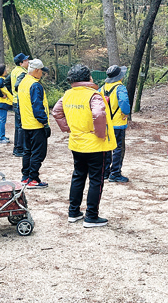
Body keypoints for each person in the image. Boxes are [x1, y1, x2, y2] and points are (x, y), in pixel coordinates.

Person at [52, 64, 116, 228]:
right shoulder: (94, 95)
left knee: (78, 176)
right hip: (95, 145)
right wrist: (100, 134)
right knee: (96, 180)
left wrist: (67, 128)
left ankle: (73, 212)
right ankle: (91, 216)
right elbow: (99, 113)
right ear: (89, 78)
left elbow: (56, 112)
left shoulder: (67, 95)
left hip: (76, 143)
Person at [18, 58, 50, 188]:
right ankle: (33, 178)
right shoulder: (35, 85)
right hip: (36, 125)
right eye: (41, 71)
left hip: (26, 124)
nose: (42, 73)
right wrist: (45, 123)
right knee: (38, 153)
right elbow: (37, 107)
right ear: (36, 70)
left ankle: (26, 176)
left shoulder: (23, 82)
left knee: (27, 151)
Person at [99, 65, 130, 183]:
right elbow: (124, 102)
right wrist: (126, 112)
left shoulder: (102, 88)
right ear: (119, 77)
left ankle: (105, 172)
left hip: (106, 123)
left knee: (107, 147)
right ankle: (115, 173)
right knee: (118, 148)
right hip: (118, 123)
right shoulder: (120, 88)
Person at [10, 53, 29, 157]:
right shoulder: (22, 72)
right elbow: (17, 85)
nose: (28, 62)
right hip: (20, 101)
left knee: (18, 126)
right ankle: (20, 149)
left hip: (15, 100)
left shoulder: (14, 71)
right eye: (26, 60)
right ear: (21, 63)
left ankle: (16, 148)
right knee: (21, 126)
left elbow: (8, 83)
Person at [0, 64, 13, 144]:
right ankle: (0, 137)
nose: (6, 71)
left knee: (1, 119)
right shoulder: (1, 79)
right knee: (2, 119)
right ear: (3, 71)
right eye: (5, 70)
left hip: (0, 102)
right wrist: (2, 95)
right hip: (2, 102)